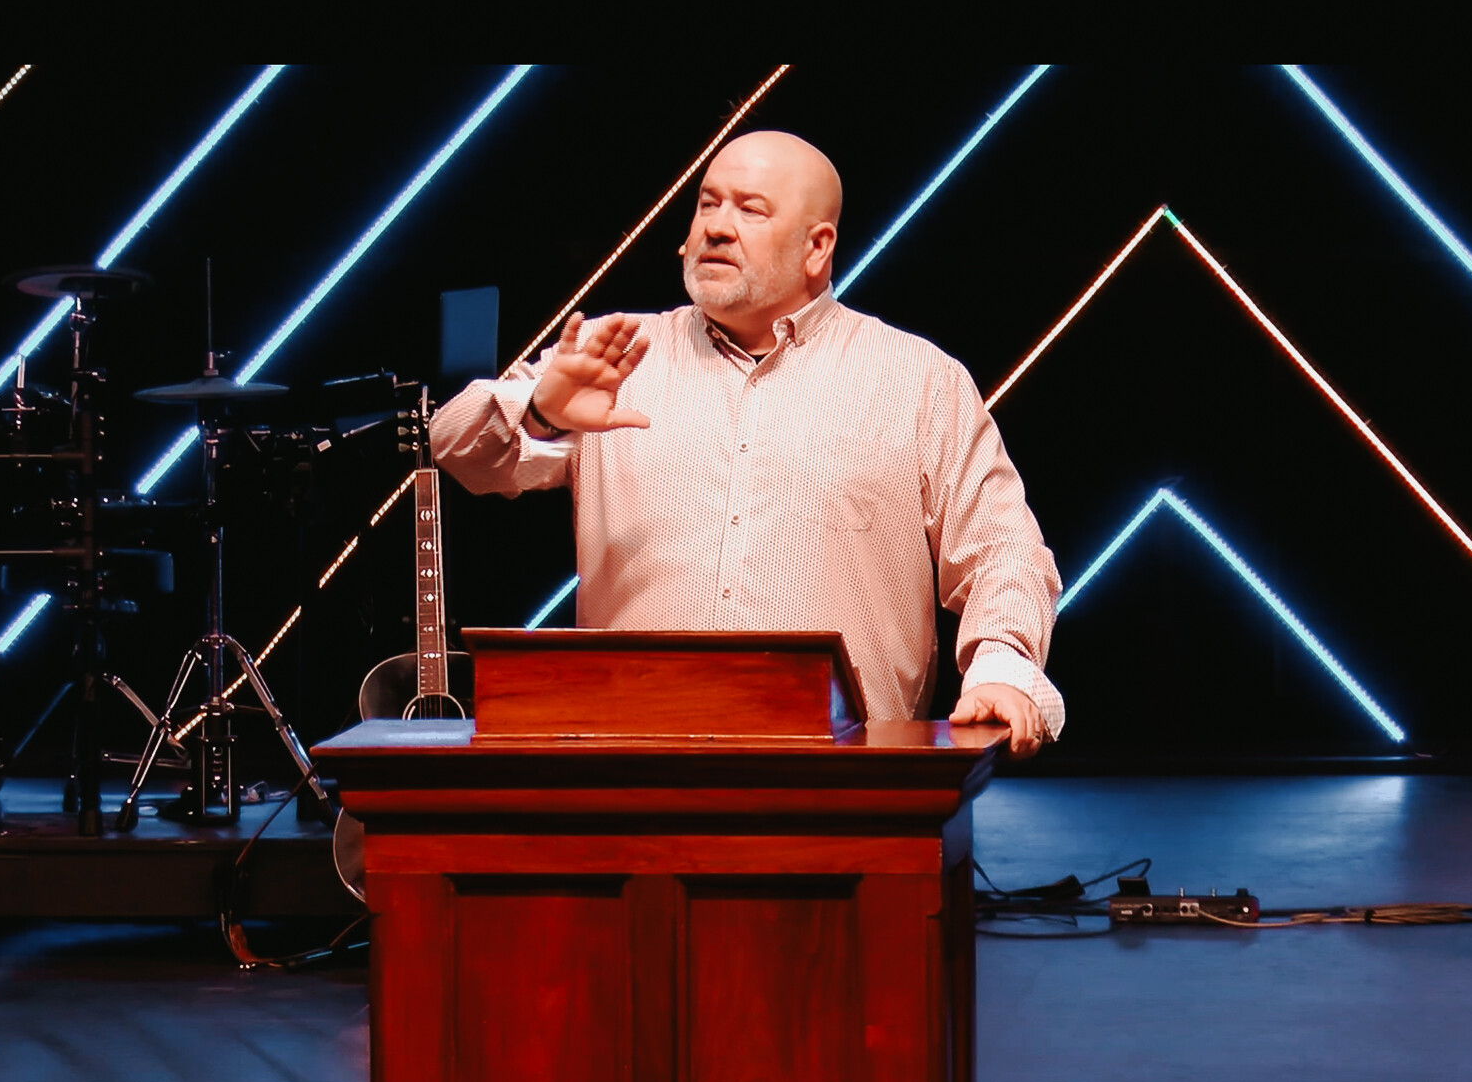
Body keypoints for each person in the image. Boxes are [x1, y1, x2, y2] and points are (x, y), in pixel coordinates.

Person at [429, 131, 1064, 756]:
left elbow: (1003, 550)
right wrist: (541, 413)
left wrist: (1002, 669)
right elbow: (456, 447)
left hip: (847, 778)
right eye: (708, 203)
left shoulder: (918, 380)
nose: (717, 227)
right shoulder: (612, 357)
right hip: (633, 767)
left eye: (750, 210)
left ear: (817, 248)